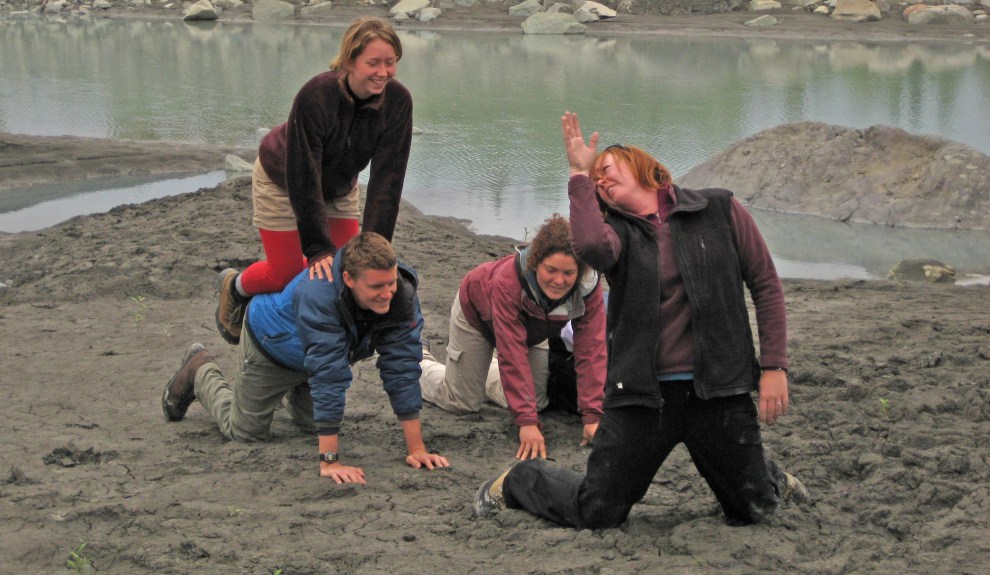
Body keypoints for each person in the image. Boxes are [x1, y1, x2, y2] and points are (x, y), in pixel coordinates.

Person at [472, 112, 808, 528]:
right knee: (597, 512)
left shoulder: (719, 209)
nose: (601, 180)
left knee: (755, 510)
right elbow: (591, 245)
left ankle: (764, 474)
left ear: (641, 165)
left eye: (606, 169)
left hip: (718, 389)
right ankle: (519, 480)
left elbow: (766, 285)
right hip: (643, 396)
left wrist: (774, 366)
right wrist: (579, 173)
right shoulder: (617, 236)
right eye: (597, 183)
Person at [163, 232, 448, 484]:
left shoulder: (401, 294)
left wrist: (417, 449)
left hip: (314, 355)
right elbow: (329, 375)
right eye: (376, 288)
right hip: (273, 346)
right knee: (245, 432)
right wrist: (330, 461)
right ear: (348, 279)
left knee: (313, 426)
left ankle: (295, 392)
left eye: (391, 283)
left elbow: (402, 367)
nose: (387, 293)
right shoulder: (319, 295)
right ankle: (199, 368)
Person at [215, 16, 414, 345]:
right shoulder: (315, 96)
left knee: (343, 271)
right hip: (283, 178)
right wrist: (318, 247)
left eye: (390, 63)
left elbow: (387, 182)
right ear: (350, 60)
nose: (383, 72)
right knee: (288, 273)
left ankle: (310, 340)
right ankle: (235, 289)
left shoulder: (398, 103)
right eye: (373, 63)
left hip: (339, 187)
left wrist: (376, 250)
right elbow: (303, 175)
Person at [420, 215, 607, 460]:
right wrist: (526, 423)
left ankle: (478, 369)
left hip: (533, 328)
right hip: (477, 317)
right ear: (536, 262)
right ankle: (418, 360)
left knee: (537, 404)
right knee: (462, 402)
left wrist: (593, 416)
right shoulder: (509, 282)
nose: (559, 280)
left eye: (568, 273)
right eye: (551, 270)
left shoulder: (588, 287)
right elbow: (512, 354)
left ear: (580, 271)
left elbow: (591, 350)